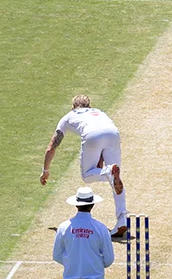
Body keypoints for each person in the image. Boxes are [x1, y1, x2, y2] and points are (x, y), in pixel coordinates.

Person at [40, 95, 129, 236]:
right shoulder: (99, 112)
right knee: (114, 179)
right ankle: (122, 219)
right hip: (113, 133)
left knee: (88, 176)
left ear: (73, 106)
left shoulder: (68, 117)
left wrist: (45, 170)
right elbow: (104, 135)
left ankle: (108, 171)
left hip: (92, 135)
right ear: (89, 105)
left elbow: (52, 147)